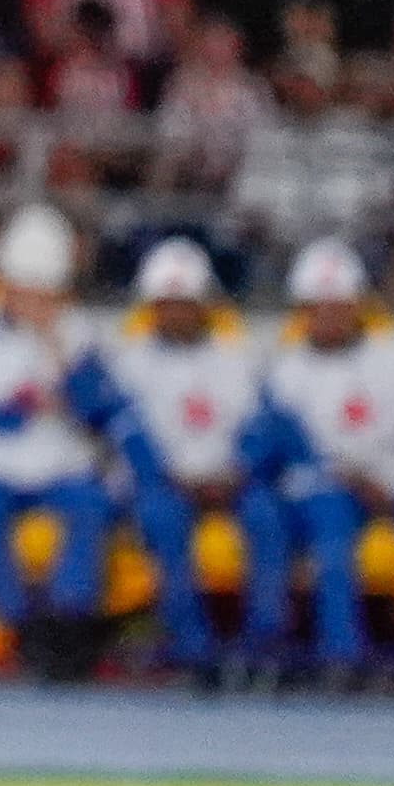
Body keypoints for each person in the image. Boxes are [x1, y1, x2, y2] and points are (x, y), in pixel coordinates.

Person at [262, 235, 394, 683]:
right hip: (323, 487)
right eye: (318, 308)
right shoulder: (283, 373)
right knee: (331, 530)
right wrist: (349, 481)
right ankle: (342, 656)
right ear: (302, 311)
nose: (329, 316)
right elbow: (281, 455)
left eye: (339, 306)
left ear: (358, 305)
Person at [0, 203, 128, 677]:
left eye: (47, 292)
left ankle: (68, 617)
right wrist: (26, 408)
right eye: (28, 290)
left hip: (61, 466)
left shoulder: (79, 334)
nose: (37, 301)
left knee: (91, 506)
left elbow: (97, 411)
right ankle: (14, 617)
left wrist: (57, 352)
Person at [98, 238, 289, 678]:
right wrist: (168, 477)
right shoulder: (129, 361)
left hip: (231, 480)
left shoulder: (237, 357)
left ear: (204, 303)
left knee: (266, 514)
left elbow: (262, 427)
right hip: (162, 484)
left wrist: (239, 472)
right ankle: (192, 644)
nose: (175, 314)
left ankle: (263, 642)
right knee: (162, 519)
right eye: (165, 304)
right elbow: (127, 433)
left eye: (184, 304)